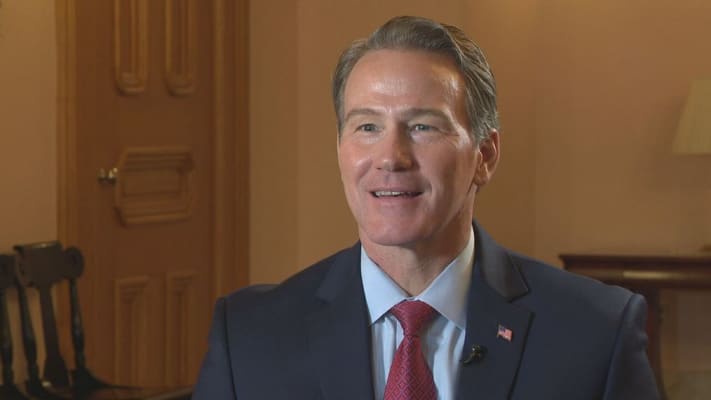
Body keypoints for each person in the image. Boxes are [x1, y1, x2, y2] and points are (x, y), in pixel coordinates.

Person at [193, 16, 660, 400]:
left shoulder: (596, 333)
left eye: (422, 127)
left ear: (485, 155)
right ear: (339, 149)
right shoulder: (249, 338)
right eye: (367, 127)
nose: (391, 158)